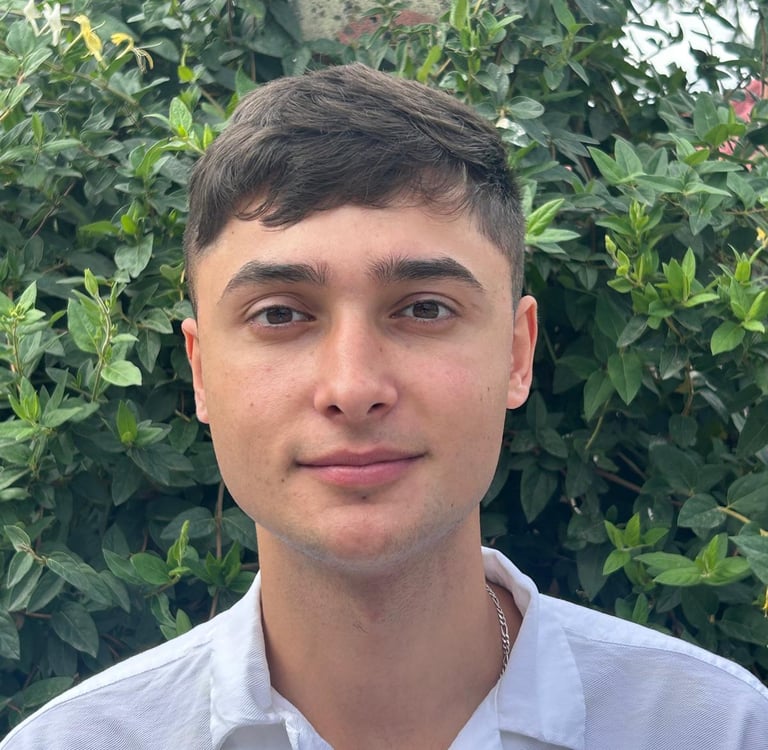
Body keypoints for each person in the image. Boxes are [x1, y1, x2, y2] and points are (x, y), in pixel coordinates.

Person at [3, 63, 767, 750]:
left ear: (516, 354)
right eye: (279, 314)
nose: (352, 386)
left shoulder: (720, 729)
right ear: (202, 373)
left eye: (425, 308)